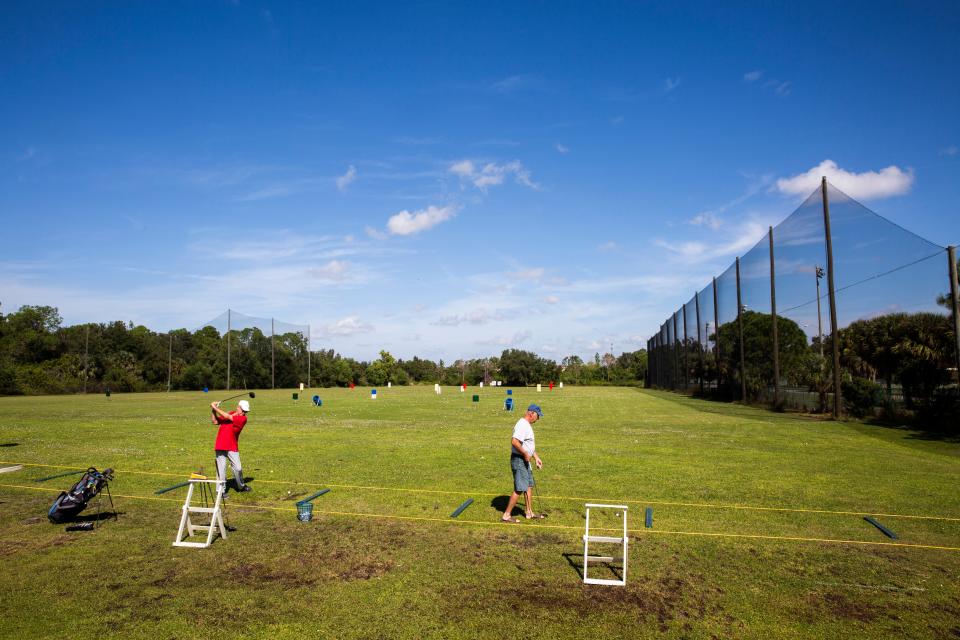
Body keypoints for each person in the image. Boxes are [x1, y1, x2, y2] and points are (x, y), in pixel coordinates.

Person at [501, 404, 544, 522]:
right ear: (532, 414)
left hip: (525, 459)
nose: (538, 419)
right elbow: (514, 442)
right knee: (520, 488)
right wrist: (525, 454)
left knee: (529, 486)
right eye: (538, 416)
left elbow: (527, 445)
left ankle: (529, 512)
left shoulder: (527, 425)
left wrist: (536, 457)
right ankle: (506, 515)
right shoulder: (522, 425)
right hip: (519, 460)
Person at [211, 399, 251, 493]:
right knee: (221, 469)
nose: (244, 412)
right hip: (220, 444)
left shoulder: (243, 419)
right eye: (243, 410)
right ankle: (221, 491)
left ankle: (241, 486)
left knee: (238, 468)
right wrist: (213, 410)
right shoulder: (232, 413)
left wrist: (215, 407)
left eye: (246, 411)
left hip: (232, 446)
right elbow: (215, 421)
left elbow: (227, 416)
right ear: (238, 408)